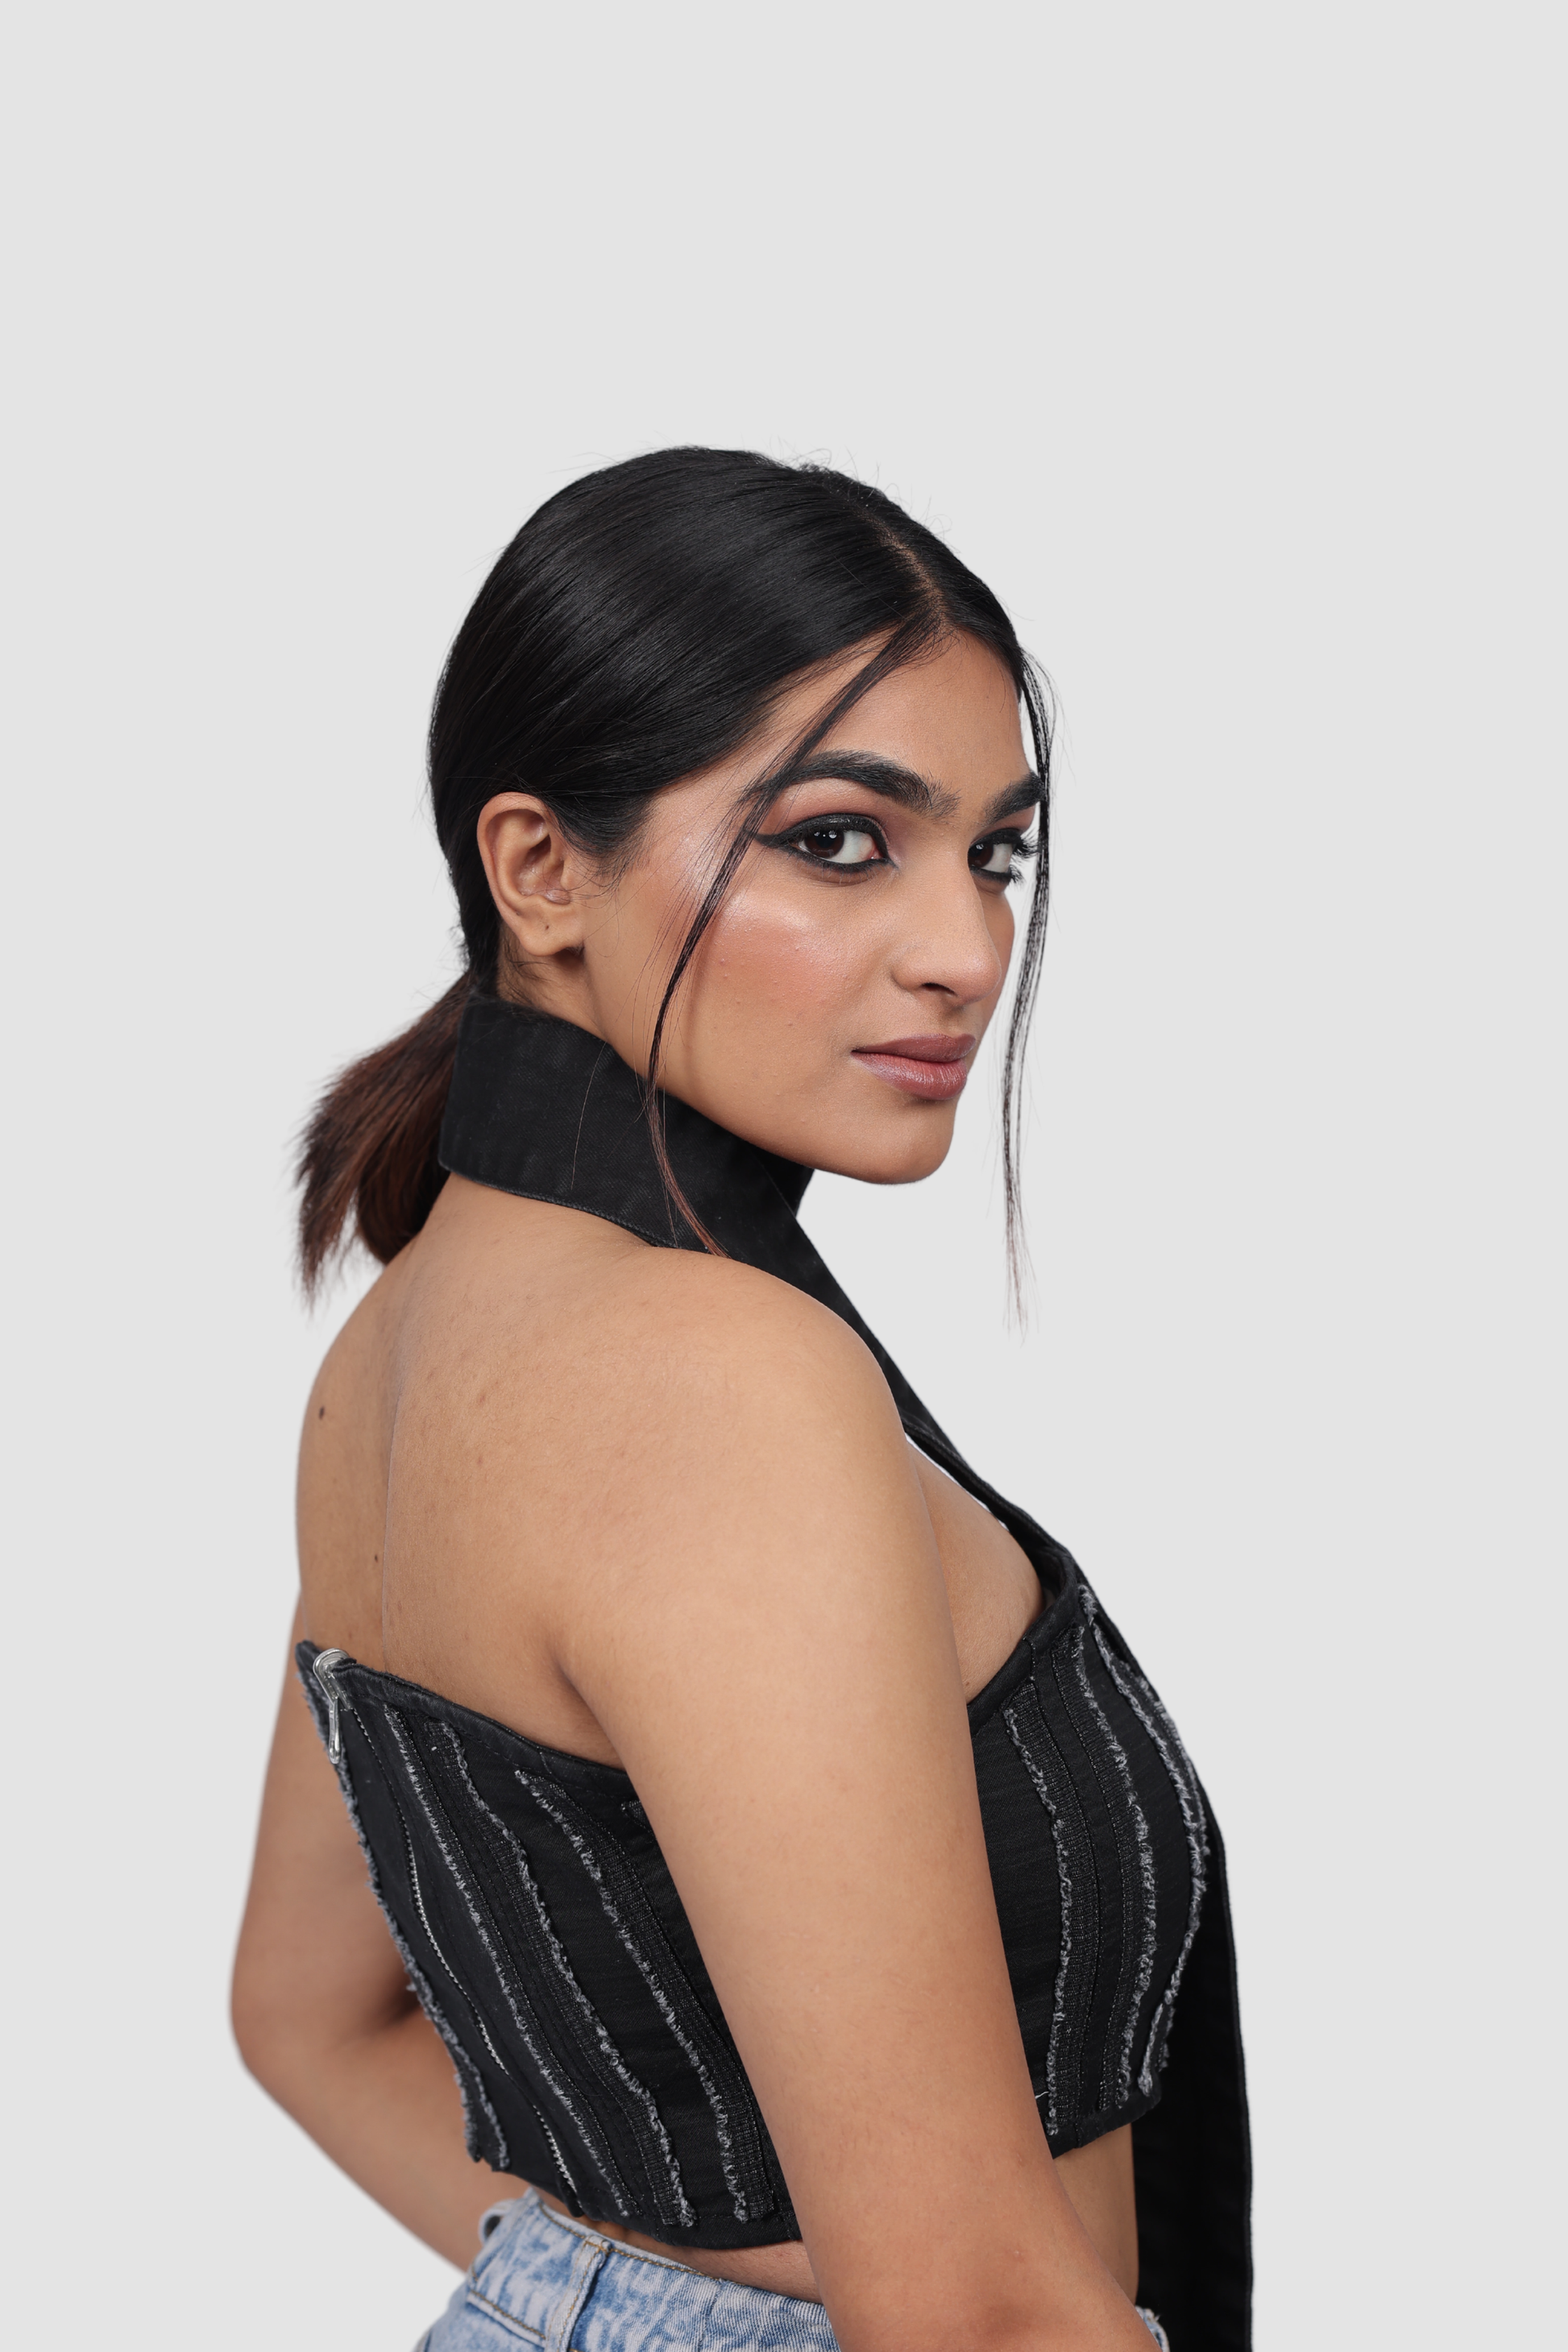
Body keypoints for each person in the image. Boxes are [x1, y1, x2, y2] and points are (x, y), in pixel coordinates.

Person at [233, 448, 1251, 2352]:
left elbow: (308, 2015)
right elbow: (968, 2311)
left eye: (996, 853)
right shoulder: (716, 1375)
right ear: (539, 869)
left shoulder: (403, 1345)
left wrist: (611, 2290)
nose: (965, 949)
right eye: (841, 841)